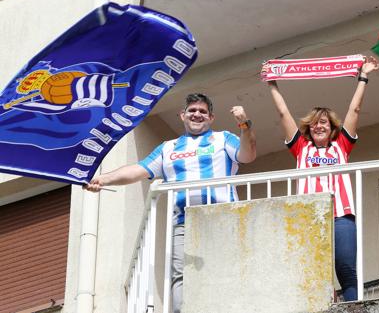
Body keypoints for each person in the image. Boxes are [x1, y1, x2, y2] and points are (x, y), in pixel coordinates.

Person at [85, 93, 256, 313]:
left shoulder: (224, 138)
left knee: (228, 266)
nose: (197, 115)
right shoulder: (168, 147)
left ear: (211, 118)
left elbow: (248, 155)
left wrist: (244, 125)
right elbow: (137, 170)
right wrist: (102, 178)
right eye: (192, 111)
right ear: (182, 115)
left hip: (223, 216)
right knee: (180, 275)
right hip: (183, 222)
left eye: (203, 112)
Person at [265, 56, 379, 301]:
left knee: (347, 270)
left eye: (324, 123)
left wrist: (364, 77)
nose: (319, 127)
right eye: (315, 124)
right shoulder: (300, 148)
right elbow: (283, 113)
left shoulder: (342, 146)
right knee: (313, 272)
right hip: (308, 214)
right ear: (309, 127)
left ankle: (352, 308)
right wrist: (271, 83)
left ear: (332, 127)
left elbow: (354, 110)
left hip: (341, 215)